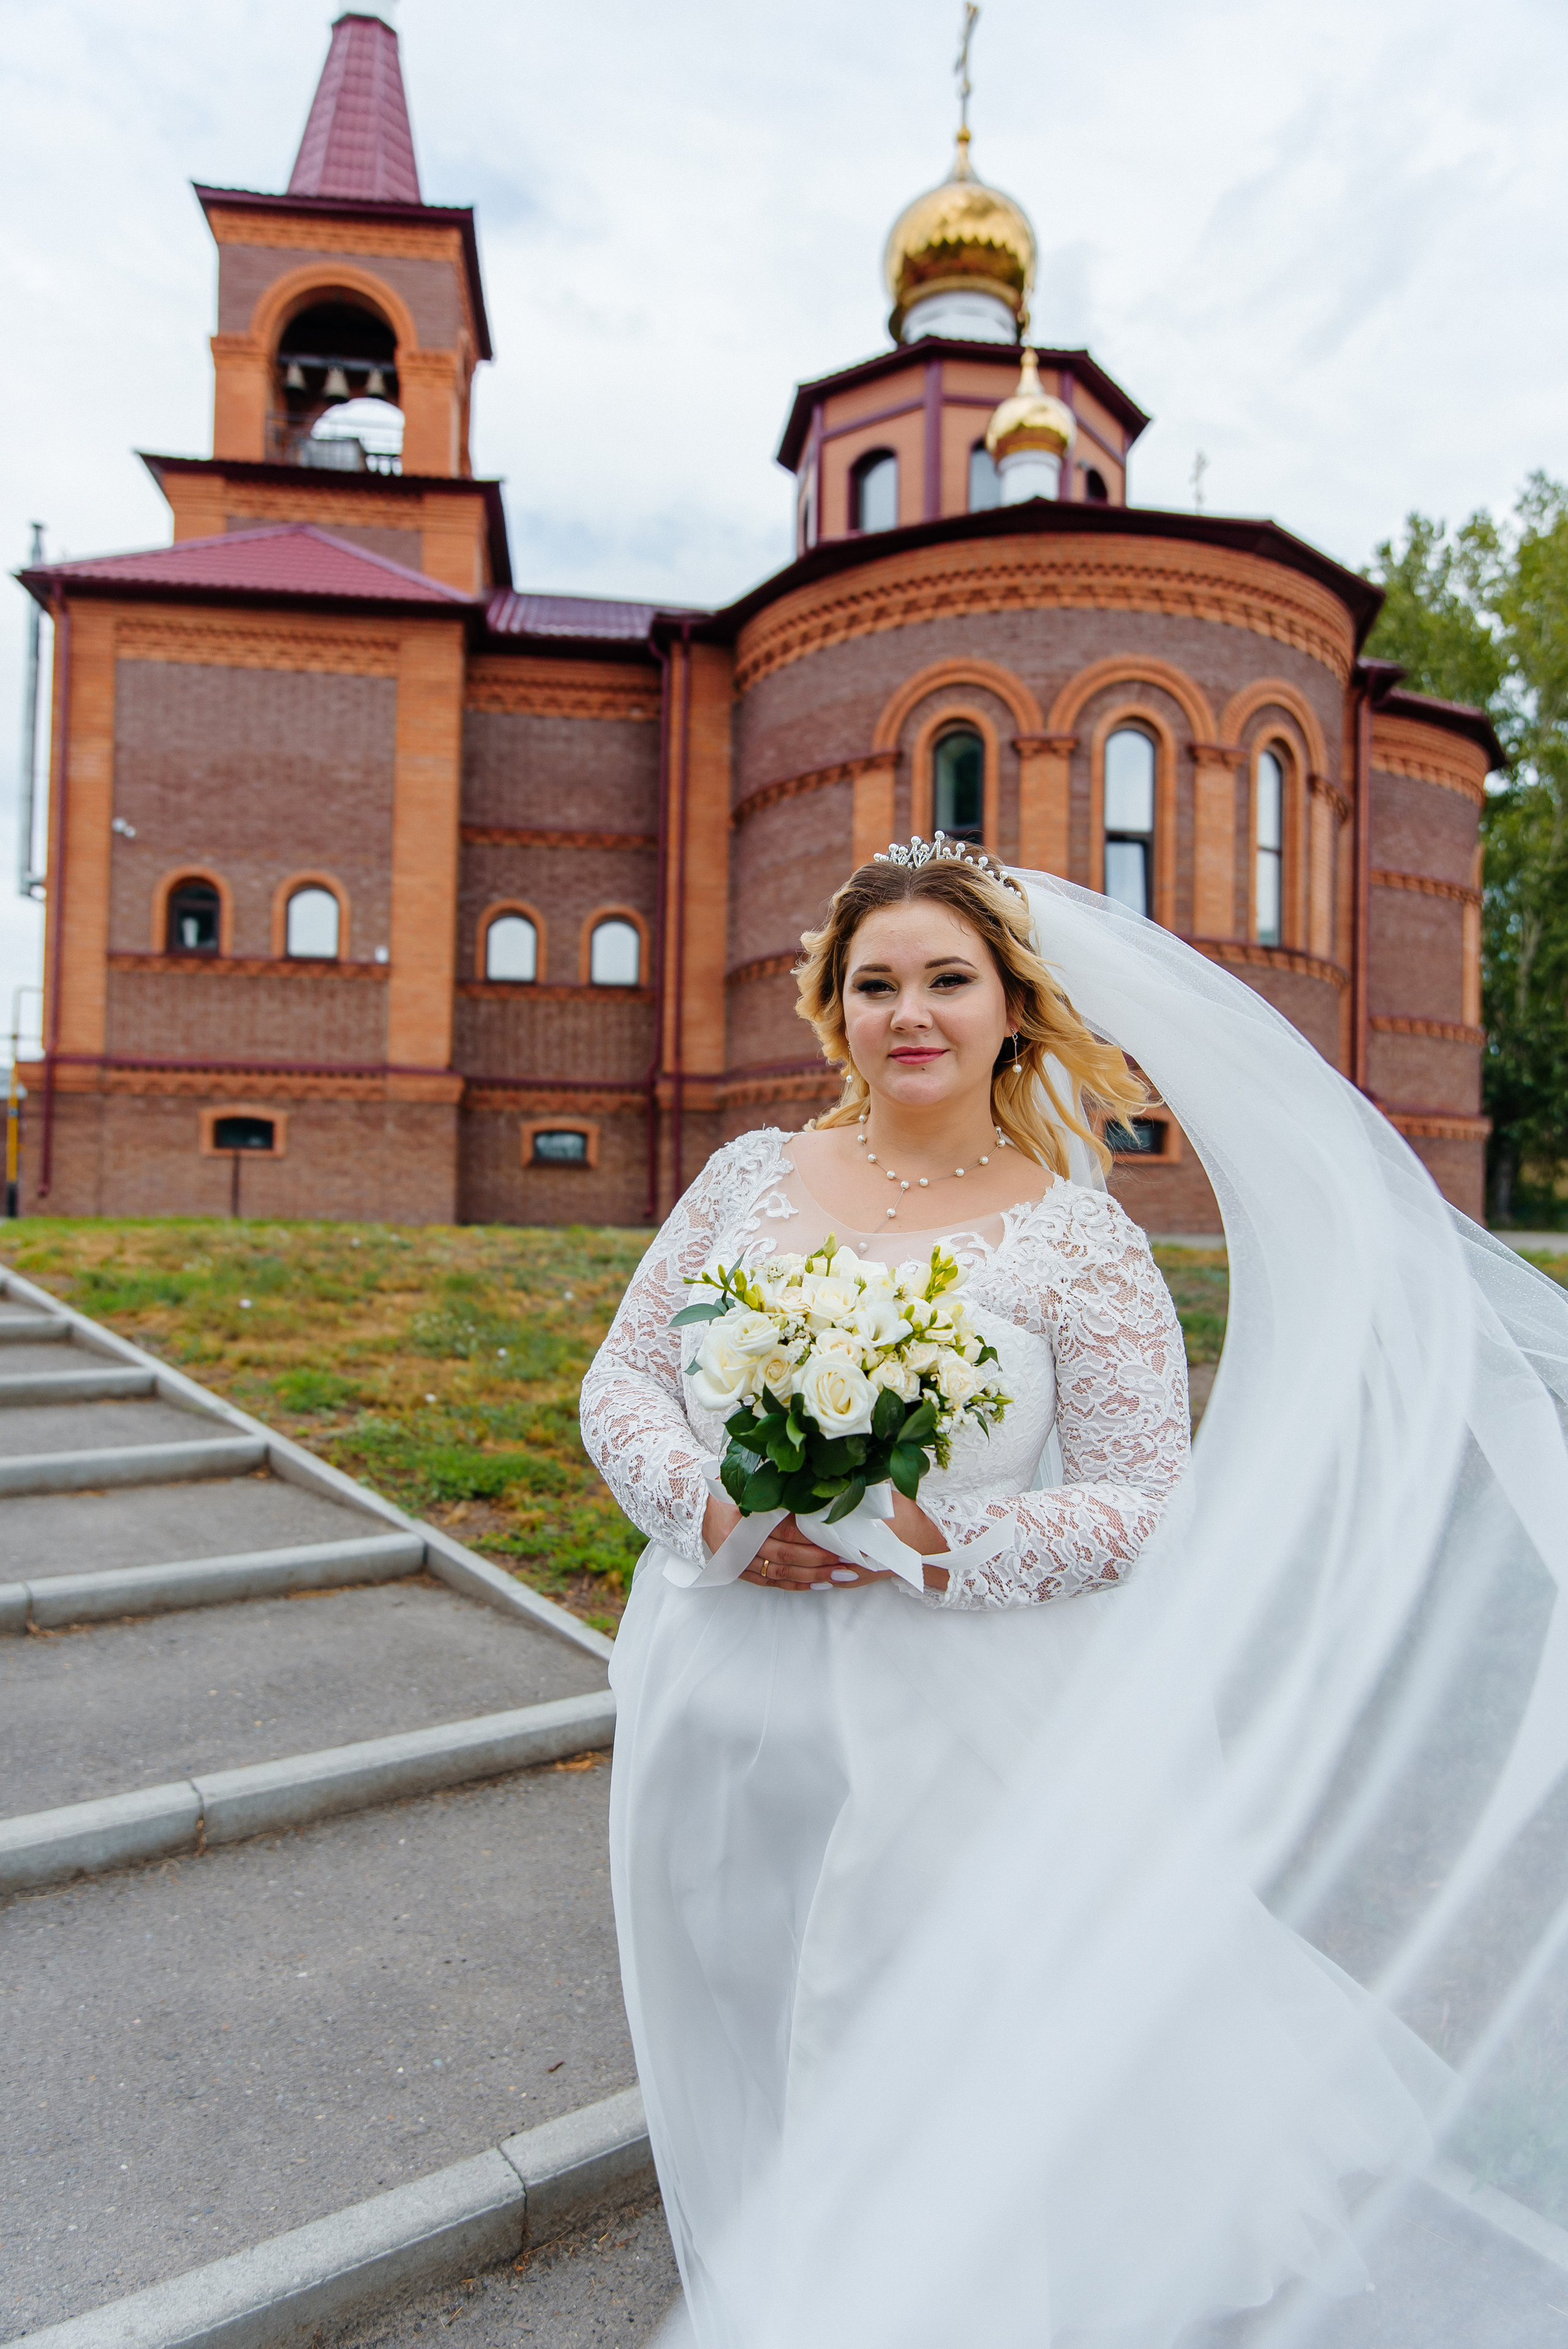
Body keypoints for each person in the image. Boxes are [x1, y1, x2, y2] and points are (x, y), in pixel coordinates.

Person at [581, 840, 1568, 2349]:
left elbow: (1135, 1499)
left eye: (945, 980)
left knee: (907, 2022)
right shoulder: (743, 1180)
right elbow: (624, 1379)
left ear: (1010, 1009)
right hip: (722, 1673)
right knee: (745, 1982)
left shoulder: (1075, 1239)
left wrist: (930, 1543)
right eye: (874, 985)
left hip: (955, 1716)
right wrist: (704, 1507)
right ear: (832, 1010)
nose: (908, 1012)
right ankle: (789, 2264)